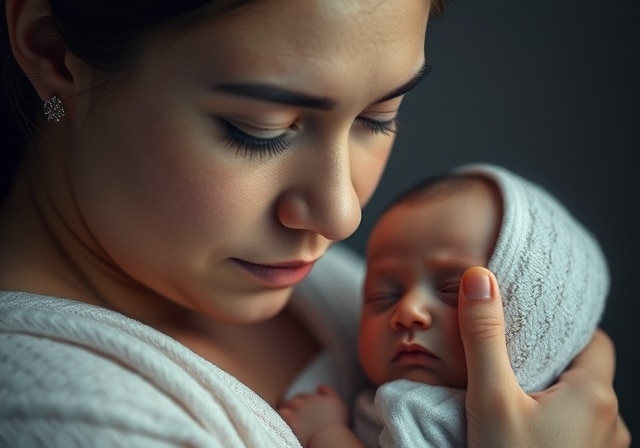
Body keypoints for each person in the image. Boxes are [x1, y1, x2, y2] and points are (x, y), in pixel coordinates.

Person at [0, 0, 630, 446]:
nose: (342, 215)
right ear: (53, 50)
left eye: (378, 118)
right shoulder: (66, 416)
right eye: (259, 130)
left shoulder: (322, 286)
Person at [277, 163, 611, 447]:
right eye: (384, 296)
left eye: (454, 291)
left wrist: (325, 431)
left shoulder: (430, 413)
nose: (408, 312)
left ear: (536, 326)